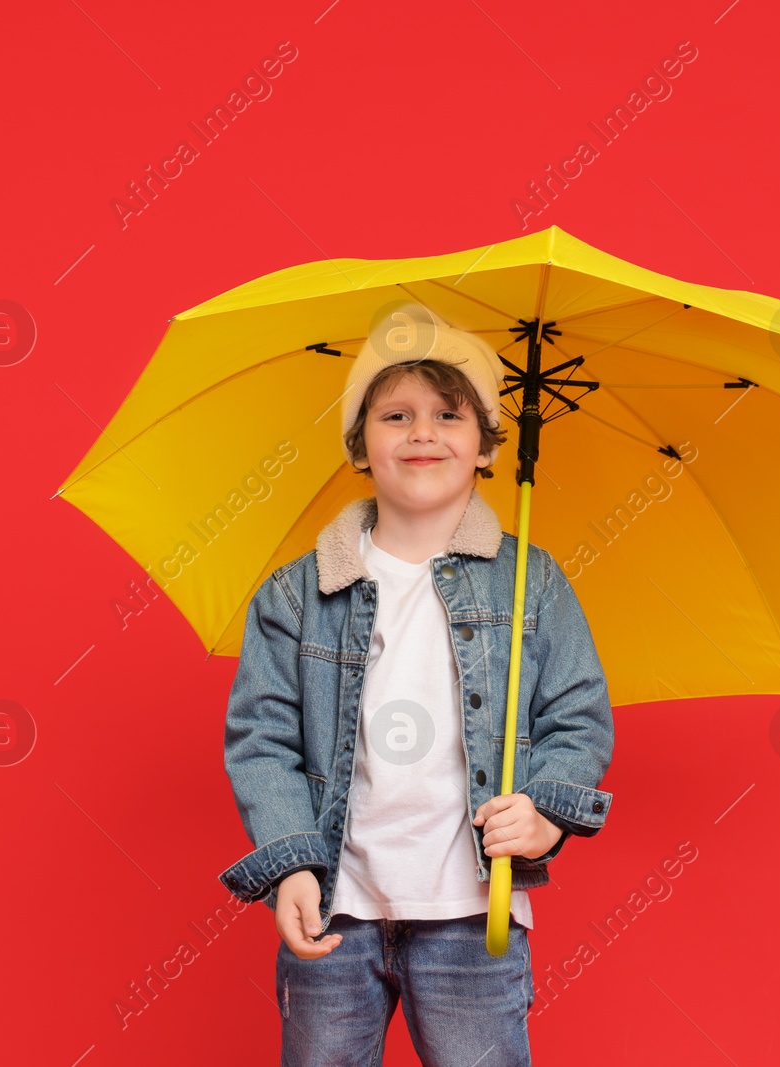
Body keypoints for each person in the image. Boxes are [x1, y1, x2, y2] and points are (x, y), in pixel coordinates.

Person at [217, 301, 616, 1066]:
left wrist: (547, 813)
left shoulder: (532, 584)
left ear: (489, 446)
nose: (422, 433)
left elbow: (578, 719)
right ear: (360, 444)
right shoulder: (299, 594)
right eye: (395, 414)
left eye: (448, 415)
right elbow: (260, 737)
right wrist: (292, 860)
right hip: (337, 909)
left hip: (474, 911)